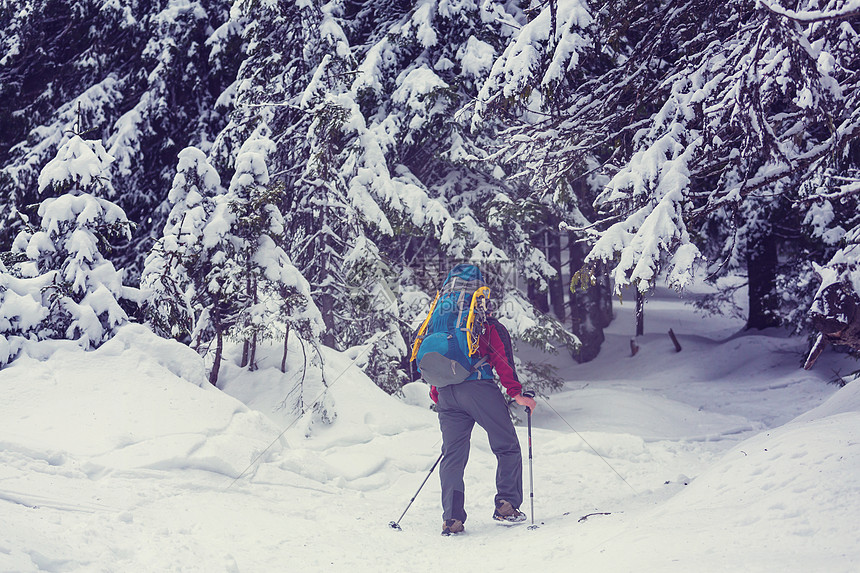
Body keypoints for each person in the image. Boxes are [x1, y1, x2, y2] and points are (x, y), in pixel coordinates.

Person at [428, 304, 537, 536]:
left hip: (446, 393)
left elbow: (435, 364)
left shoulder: (441, 326)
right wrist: (516, 393)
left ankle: (452, 518)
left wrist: (439, 394)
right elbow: (502, 360)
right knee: (506, 445)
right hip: (479, 390)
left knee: (452, 456)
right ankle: (506, 506)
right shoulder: (487, 326)